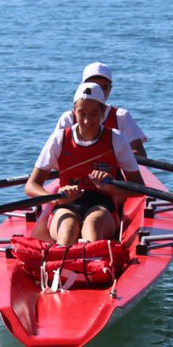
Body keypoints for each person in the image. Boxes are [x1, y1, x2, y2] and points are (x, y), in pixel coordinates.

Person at [27, 82, 145, 245]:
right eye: (82, 114)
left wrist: (109, 188)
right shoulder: (59, 139)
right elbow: (31, 186)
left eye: (94, 114)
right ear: (74, 112)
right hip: (66, 203)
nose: (87, 121)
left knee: (92, 226)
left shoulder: (116, 138)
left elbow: (139, 188)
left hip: (102, 204)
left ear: (103, 112)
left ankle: (91, 264)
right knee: (68, 230)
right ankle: (63, 266)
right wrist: (57, 198)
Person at [52, 62, 148, 158]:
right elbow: (54, 155)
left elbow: (141, 155)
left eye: (104, 87)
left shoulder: (121, 116)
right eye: (93, 85)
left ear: (110, 89)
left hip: (112, 172)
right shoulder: (68, 118)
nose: (98, 91)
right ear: (82, 87)